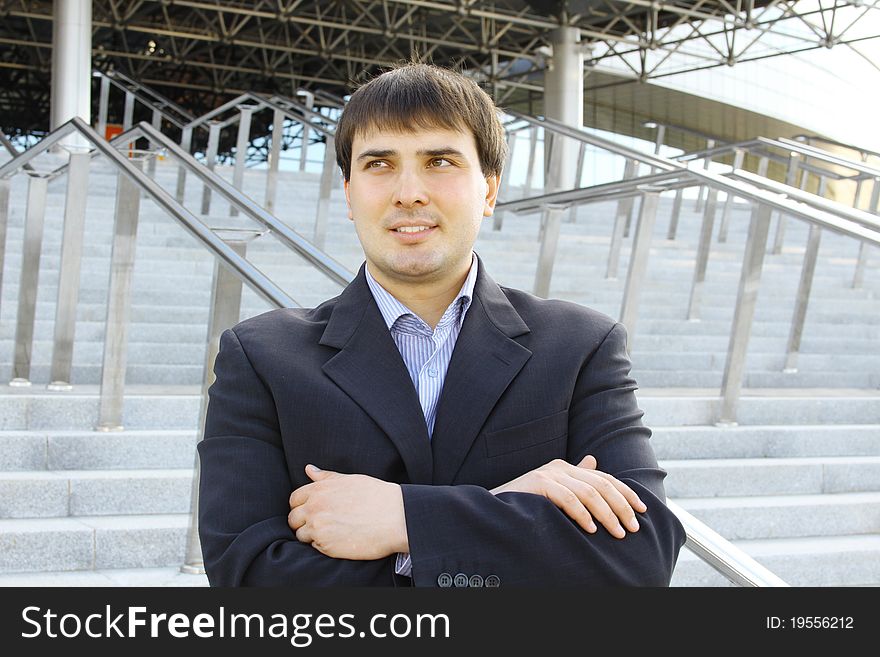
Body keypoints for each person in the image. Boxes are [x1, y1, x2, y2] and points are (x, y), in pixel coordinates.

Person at [197, 62, 686, 587]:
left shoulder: (581, 345)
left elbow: (641, 554)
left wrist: (403, 520)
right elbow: (245, 575)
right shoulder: (261, 356)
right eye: (379, 163)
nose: (409, 191)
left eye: (440, 161)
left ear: (490, 190)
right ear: (348, 193)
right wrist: (509, 507)